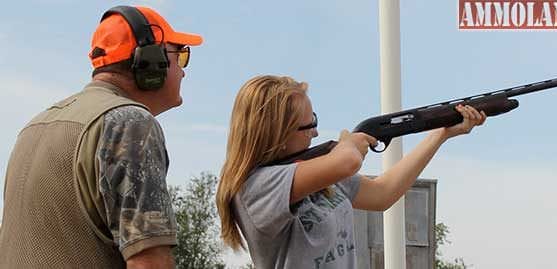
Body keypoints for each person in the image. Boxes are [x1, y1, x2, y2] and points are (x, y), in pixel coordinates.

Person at [0, 5, 202, 268]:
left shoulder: (33, 128)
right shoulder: (130, 124)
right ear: (153, 61)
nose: (184, 70)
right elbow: (149, 262)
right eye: (181, 55)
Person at [216, 75, 486, 269]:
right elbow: (347, 161)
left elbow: (383, 193)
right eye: (308, 126)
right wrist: (348, 144)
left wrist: (441, 134)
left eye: (315, 120)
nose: (316, 132)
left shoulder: (322, 177)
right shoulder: (257, 186)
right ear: (276, 133)